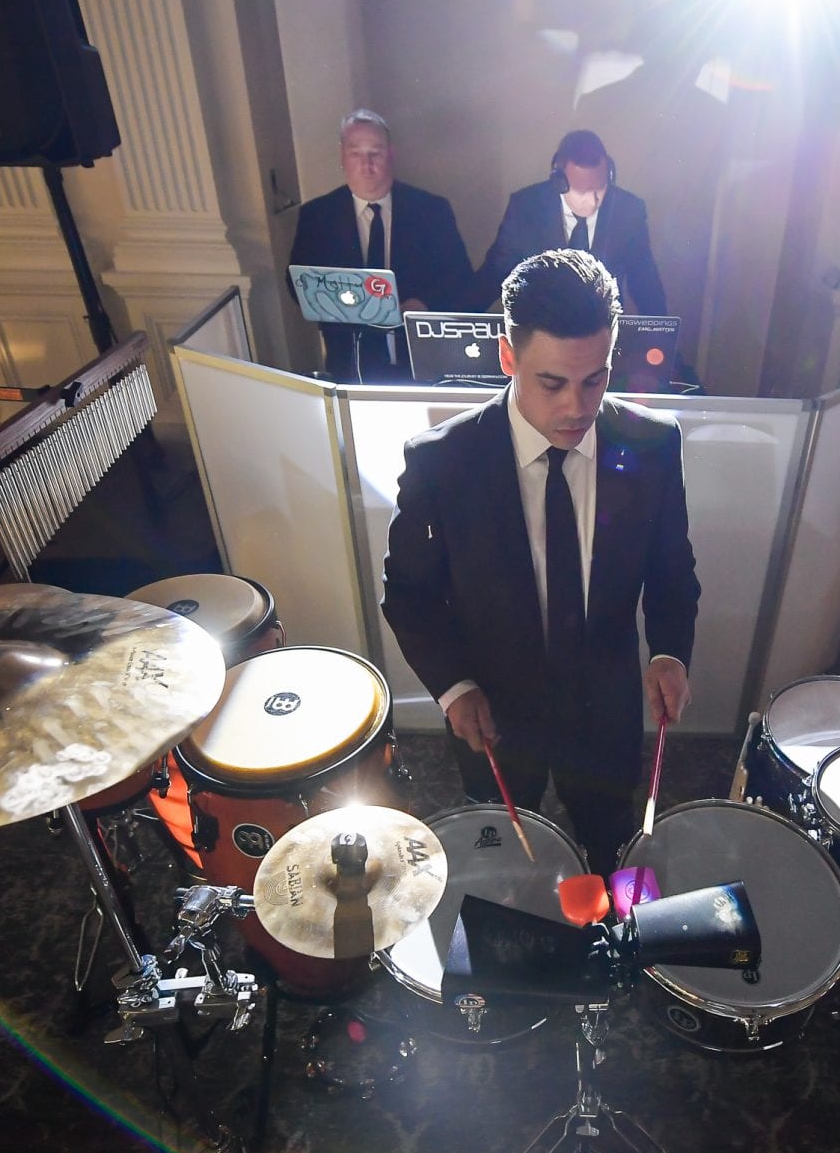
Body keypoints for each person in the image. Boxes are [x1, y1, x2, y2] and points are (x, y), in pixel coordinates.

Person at [381, 250, 699, 875]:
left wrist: (668, 651)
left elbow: (670, 569)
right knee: (500, 862)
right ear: (508, 357)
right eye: (552, 382)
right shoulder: (443, 463)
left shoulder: (653, 445)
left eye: (596, 379)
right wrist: (454, 686)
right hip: (495, 712)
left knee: (607, 850)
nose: (577, 408)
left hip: (605, 706)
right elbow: (409, 594)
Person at [287, 109, 473, 383]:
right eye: (356, 153)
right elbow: (296, 283)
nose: (367, 164)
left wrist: (422, 304)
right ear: (342, 156)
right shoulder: (317, 216)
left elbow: (460, 277)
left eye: (375, 153)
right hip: (349, 360)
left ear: (391, 154)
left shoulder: (431, 210)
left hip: (419, 357)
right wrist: (335, 302)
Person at [473, 130, 668, 318]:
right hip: (541, 334)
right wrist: (453, 325)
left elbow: (645, 283)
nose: (592, 201)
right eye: (581, 192)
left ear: (609, 175)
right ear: (559, 181)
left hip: (602, 337)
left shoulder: (629, 211)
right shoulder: (526, 208)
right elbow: (496, 272)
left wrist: (663, 339)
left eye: (599, 190)